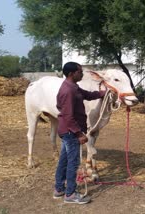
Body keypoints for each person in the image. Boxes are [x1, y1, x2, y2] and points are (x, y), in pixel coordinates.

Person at [53, 62, 106, 204]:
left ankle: (59, 189)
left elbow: (87, 95)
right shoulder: (68, 91)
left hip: (68, 131)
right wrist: (79, 134)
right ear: (72, 74)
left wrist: (103, 93)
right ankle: (70, 194)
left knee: (64, 160)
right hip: (70, 132)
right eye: (80, 72)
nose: (82, 74)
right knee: (73, 163)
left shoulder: (73, 87)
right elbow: (68, 116)